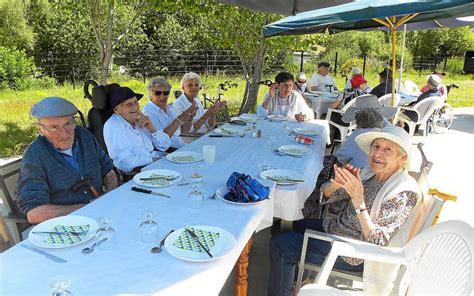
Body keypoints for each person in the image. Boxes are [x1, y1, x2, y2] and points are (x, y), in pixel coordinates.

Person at [269, 125, 421, 296]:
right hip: (336, 230)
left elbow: (378, 242)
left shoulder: (403, 191)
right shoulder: (369, 174)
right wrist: (337, 182)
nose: (378, 153)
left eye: (388, 150)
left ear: (402, 158)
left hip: (354, 254)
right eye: (376, 146)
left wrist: (358, 201)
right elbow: (325, 197)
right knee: (290, 222)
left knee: (282, 244)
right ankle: (298, 281)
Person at [15, 97, 118, 224]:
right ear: (40, 129)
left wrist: (110, 197)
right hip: (66, 226)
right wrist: (87, 207)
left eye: (68, 124)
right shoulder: (35, 156)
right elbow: (35, 213)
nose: (64, 134)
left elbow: (109, 172)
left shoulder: (84, 136)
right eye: (54, 127)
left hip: (102, 216)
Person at [103, 86, 171, 174]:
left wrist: (152, 129)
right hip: (139, 172)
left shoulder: (139, 118)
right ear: (116, 110)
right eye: (129, 104)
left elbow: (165, 145)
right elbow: (124, 161)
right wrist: (153, 160)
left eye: (135, 102)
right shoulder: (113, 126)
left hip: (157, 162)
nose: (135, 107)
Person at [142, 77, 197, 149]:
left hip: (181, 146)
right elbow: (160, 142)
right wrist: (179, 119)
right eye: (158, 93)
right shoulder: (148, 113)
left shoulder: (169, 108)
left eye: (166, 93)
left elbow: (183, 131)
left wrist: (189, 117)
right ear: (150, 94)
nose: (162, 96)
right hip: (168, 152)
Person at [337, 102, 396, 168]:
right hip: (382, 173)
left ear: (358, 122)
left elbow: (341, 158)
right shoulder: (388, 134)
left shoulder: (357, 135)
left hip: (359, 174)